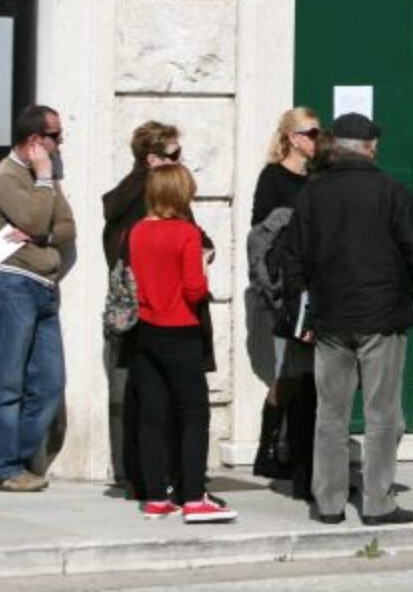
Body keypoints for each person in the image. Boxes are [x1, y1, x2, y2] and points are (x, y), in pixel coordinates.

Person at [286, 113, 413, 525]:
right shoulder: (392, 192)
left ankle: (329, 503)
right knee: (382, 415)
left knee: (330, 414)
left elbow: (293, 258)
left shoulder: (314, 194)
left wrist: (305, 309)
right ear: (371, 148)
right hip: (381, 317)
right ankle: (378, 502)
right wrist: (404, 294)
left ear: (335, 147)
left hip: (331, 317)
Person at [127, 164, 235, 523]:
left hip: (144, 331)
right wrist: (203, 265)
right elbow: (194, 290)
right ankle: (193, 496)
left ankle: (156, 497)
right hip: (180, 330)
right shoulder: (186, 233)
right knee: (194, 415)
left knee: (151, 416)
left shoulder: (137, 231)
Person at [0, 104, 76, 491]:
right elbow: (35, 219)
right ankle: (2, 468)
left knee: (51, 383)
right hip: (11, 284)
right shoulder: (5, 178)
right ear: (35, 139)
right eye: (55, 136)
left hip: (44, 288)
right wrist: (44, 180)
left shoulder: (44, 179)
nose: (60, 142)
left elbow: (67, 226)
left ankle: (13, 461)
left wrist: (43, 235)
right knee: (7, 382)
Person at [250, 107, 322, 495]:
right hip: (283, 289)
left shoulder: (319, 178)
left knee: (304, 373)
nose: (317, 139)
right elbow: (261, 236)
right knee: (287, 372)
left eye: (319, 133)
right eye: (311, 133)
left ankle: (294, 450)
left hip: (313, 286)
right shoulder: (273, 177)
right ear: (292, 138)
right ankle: (269, 449)